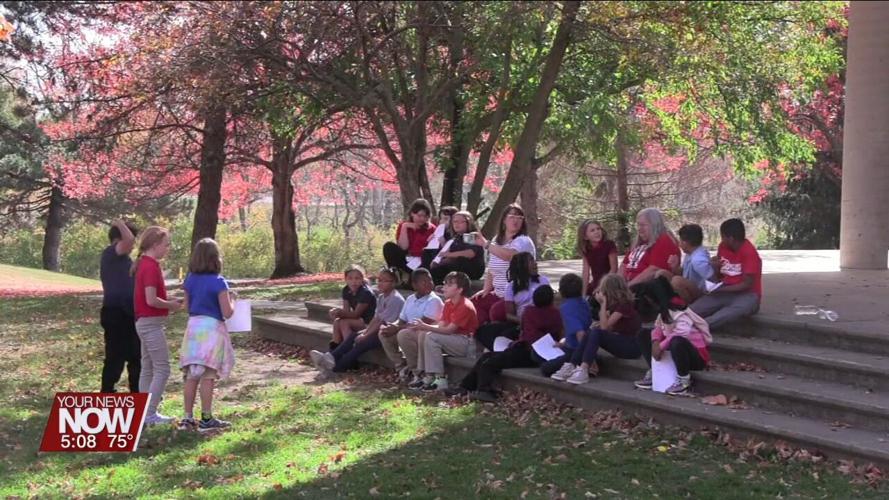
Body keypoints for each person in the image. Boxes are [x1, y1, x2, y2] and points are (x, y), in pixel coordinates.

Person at [448, 285, 563, 402]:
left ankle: (483, 390)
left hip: (529, 352)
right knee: (486, 356)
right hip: (529, 349)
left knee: (491, 362)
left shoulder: (530, 311)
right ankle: (465, 386)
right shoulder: (556, 314)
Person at [178, 238, 236, 431]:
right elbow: (227, 312)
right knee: (208, 375)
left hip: (193, 327)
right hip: (211, 329)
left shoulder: (190, 280)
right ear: (215, 258)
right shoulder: (219, 282)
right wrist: (233, 301)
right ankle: (206, 418)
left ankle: (187, 417)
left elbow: (185, 306)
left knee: (191, 374)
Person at [132, 226, 182, 426]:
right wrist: (172, 305)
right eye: (166, 244)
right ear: (154, 245)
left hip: (145, 322)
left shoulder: (144, 264)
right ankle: (150, 414)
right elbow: (151, 300)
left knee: (148, 368)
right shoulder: (150, 266)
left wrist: (171, 299)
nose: (168, 248)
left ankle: (145, 412)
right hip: (150, 323)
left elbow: (152, 297)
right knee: (163, 369)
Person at [551, 273, 641, 385]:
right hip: (621, 341)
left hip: (632, 346)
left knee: (597, 332)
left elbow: (604, 328)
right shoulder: (615, 306)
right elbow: (605, 326)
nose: (600, 293)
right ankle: (572, 365)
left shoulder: (624, 306)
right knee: (591, 332)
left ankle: (583, 368)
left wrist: (602, 304)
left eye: (603, 290)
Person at [311, 268, 405, 374]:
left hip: (388, 333)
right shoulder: (382, 297)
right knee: (353, 336)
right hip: (378, 330)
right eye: (379, 280)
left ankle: (335, 368)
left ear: (393, 283)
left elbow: (382, 322)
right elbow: (376, 318)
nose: (380, 283)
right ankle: (329, 358)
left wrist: (365, 335)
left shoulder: (395, 299)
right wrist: (365, 332)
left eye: (384, 281)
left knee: (361, 343)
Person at [634, 276, 712, 396]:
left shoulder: (678, 310)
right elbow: (658, 326)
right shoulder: (664, 310)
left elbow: (682, 332)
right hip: (672, 352)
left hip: (695, 355)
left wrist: (661, 346)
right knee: (642, 334)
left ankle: (684, 379)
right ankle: (656, 371)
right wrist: (655, 341)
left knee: (677, 341)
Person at [408, 271, 479, 391]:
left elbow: (449, 330)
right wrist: (424, 327)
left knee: (430, 336)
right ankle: (427, 375)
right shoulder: (448, 303)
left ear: (460, 289)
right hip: (453, 340)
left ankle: (440, 379)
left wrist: (426, 326)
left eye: (449, 285)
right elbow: (441, 326)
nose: (444, 287)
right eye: (444, 283)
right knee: (424, 334)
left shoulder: (465, 305)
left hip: (466, 343)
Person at [689, 218, 762, 329]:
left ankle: (699, 328)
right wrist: (714, 266)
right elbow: (720, 273)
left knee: (727, 313)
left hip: (747, 295)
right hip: (724, 290)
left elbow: (746, 284)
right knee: (693, 310)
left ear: (731, 239)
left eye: (723, 237)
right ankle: (676, 322)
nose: (721, 240)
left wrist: (721, 289)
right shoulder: (723, 247)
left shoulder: (749, 253)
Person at [471, 203, 536, 324]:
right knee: (474, 303)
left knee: (496, 311)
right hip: (498, 292)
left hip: (517, 295)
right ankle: (480, 335)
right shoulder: (497, 239)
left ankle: (499, 336)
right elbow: (491, 268)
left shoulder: (523, 240)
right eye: (512, 217)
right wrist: (485, 290)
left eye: (519, 217)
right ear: (504, 220)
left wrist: (486, 244)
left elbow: (510, 256)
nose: (516, 220)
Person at [474, 252, 548, 351]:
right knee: (483, 331)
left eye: (534, 260)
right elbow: (509, 315)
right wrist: (523, 321)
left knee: (507, 335)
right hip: (519, 322)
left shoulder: (543, 281)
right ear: (522, 266)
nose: (535, 263)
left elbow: (548, 307)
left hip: (539, 322)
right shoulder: (511, 286)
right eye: (531, 261)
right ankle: (501, 349)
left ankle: (511, 349)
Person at [381, 269, 445, 383]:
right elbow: (401, 319)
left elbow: (421, 324)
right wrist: (393, 326)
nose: (429, 283)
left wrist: (397, 328)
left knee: (403, 334)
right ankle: (401, 367)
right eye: (423, 281)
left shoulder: (434, 300)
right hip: (409, 331)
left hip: (425, 334)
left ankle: (417, 372)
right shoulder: (411, 299)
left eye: (430, 280)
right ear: (414, 285)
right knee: (384, 333)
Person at [100, 220, 140, 394]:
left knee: (136, 357)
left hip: (129, 313)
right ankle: (107, 392)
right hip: (115, 313)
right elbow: (129, 240)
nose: (132, 246)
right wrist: (120, 222)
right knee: (115, 357)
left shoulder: (125, 259)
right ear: (118, 238)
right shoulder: (111, 253)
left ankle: (137, 393)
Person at [539, 273, 592, 377]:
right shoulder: (584, 302)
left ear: (562, 291)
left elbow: (580, 333)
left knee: (545, 368)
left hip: (575, 350)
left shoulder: (566, 308)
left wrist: (586, 357)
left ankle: (577, 365)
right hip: (573, 345)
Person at [620, 208, 681, 287]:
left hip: (644, 288)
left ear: (654, 225)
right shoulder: (637, 242)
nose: (639, 228)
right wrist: (618, 285)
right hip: (627, 285)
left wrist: (627, 288)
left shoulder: (664, 239)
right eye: (638, 224)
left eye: (643, 225)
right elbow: (624, 265)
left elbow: (653, 270)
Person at [655, 224, 713, 305]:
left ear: (685, 243)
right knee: (661, 274)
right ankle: (664, 303)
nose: (679, 244)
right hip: (689, 285)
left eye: (680, 241)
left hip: (701, 294)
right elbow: (684, 274)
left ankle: (685, 307)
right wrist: (675, 267)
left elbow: (712, 279)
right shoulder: (689, 253)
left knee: (677, 281)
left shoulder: (698, 260)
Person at [383, 198, 436, 280]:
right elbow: (403, 247)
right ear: (412, 214)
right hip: (407, 258)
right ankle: (397, 274)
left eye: (425, 216)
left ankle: (411, 278)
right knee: (388, 246)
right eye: (419, 216)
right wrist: (405, 227)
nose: (422, 219)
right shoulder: (404, 225)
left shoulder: (432, 229)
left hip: (421, 262)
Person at [328, 265, 377, 350]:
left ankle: (348, 349)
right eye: (350, 278)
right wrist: (335, 313)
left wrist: (339, 313)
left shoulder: (366, 293)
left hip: (370, 322)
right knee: (337, 322)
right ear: (346, 279)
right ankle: (334, 349)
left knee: (344, 323)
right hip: (359, 320)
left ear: (362, 279)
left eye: (357, 278)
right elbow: (346, 311)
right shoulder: (346, 290)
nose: (354, 281)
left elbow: (355, 315)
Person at [429, 210, 485, 284]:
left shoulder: (471, 236)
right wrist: (439, 263)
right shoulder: (456, 237)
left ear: (468, 223)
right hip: (458, 266)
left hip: (472, 269)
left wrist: (448, 254)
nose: (457, 224)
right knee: (435, 269)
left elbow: (470, 253)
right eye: (454, 222)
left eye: (461, 222)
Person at [577, 219, 618, 299]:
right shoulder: (586, 249)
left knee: (598, 298)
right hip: (596, 282)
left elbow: (614, 269)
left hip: (609, 282)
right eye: (592, 230)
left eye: (598, 229)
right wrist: (583, 294)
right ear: (585, 236)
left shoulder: (609, 245)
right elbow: (586, 273)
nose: (597, 232)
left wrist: (601, 287)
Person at [421, 206, 458, 270]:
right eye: (441, 219)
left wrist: (443, 243)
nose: (442, 221)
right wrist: (431, 241)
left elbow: (451, 251)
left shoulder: (456, 234)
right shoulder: (442, 231)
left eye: (445, 219)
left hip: (444, 262)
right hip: (432, 258)